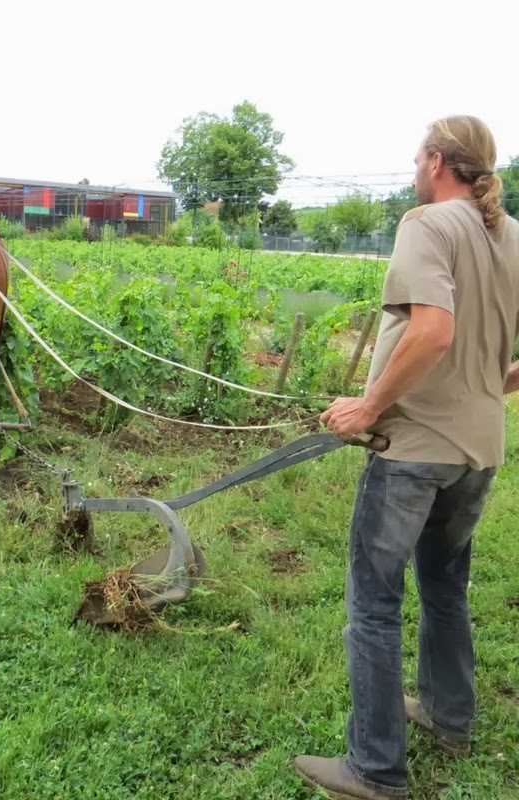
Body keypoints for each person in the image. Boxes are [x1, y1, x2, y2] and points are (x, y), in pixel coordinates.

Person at [295, 116, 519, 799]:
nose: (414, 167)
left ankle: (375, 768)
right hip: (479, 448)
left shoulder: (426, 224)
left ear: (436, 162)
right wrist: (497, 383)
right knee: (445, 586)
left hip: (414, 451)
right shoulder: (509, 235)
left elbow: (434, 332)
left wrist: (366, 408)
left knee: (373, 604)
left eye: (418, 155)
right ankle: (450, 717)